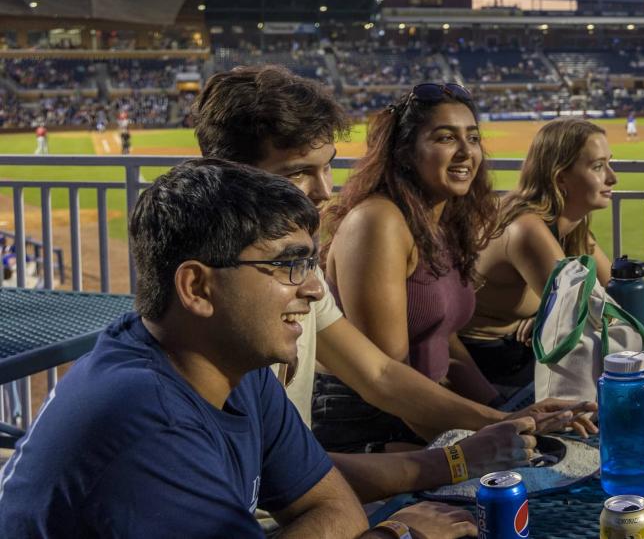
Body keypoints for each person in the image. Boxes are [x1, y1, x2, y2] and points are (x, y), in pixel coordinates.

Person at [0, 159, 470, 538]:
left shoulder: (233, 367)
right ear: (197, 288)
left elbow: (334, 506)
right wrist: (397, 536)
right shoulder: (148, 421)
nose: (312, 288)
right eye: (288, 265)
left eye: (309, 262)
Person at [193, 66, 592, 496]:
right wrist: (450, 463)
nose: (324, 192)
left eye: (327, 167)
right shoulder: (218, 308)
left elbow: (380, 374)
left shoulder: (299, 275)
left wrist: (507, 420)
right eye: (296, 173)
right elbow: (277, 476)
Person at [317, 83, 591, 453]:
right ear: (406, 152)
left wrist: (502, 408)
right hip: (368, 422)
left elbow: (442, 337)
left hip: (426, 409)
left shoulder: (440, 222)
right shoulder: (377, 222)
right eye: (446, 138)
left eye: (473, 138)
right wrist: (503, 425)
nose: (466, 152)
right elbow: (387, 378)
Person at [461, 118, 617, 386]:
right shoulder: (527, 228)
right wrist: (554, 317)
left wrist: (542, 317)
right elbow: (590, 316)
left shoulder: (569, 225)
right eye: (598, 167)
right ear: (561, 178)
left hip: (516, 353)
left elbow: (614, 294)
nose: (612, 177)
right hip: (489, 367)